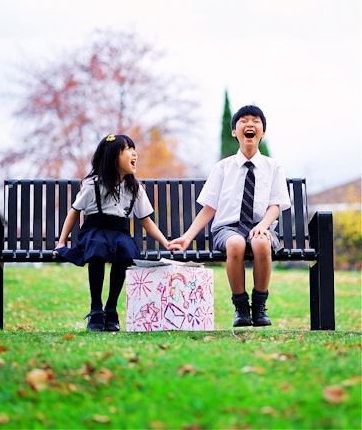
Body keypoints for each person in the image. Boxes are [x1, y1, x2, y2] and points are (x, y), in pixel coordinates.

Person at [170, 105, 291, 327]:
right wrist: (187, 236)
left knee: (262, 243)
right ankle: (241, 309)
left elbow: (275, 205)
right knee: (235, 244)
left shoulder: (273, 167)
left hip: (261, 225)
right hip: (227, 229)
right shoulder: (223, 168)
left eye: (256, 121)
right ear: (234, 131)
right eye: (244, 121)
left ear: (263, 132)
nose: (250, 124)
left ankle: (260, 306)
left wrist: (263, 225)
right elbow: (209, 208)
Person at [54, 134, 179, 332]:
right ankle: (96, 309)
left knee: (124, 249)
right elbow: (74, 212)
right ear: (113, 157)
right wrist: (61, 243)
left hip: (119, 231)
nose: (134, 153)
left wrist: (166, 242)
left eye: (134, 149)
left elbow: (146, 220)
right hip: (94, 230)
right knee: (98, 247)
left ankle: (111, 308)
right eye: (128, 149)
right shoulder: (92, 185)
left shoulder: (134, 188)